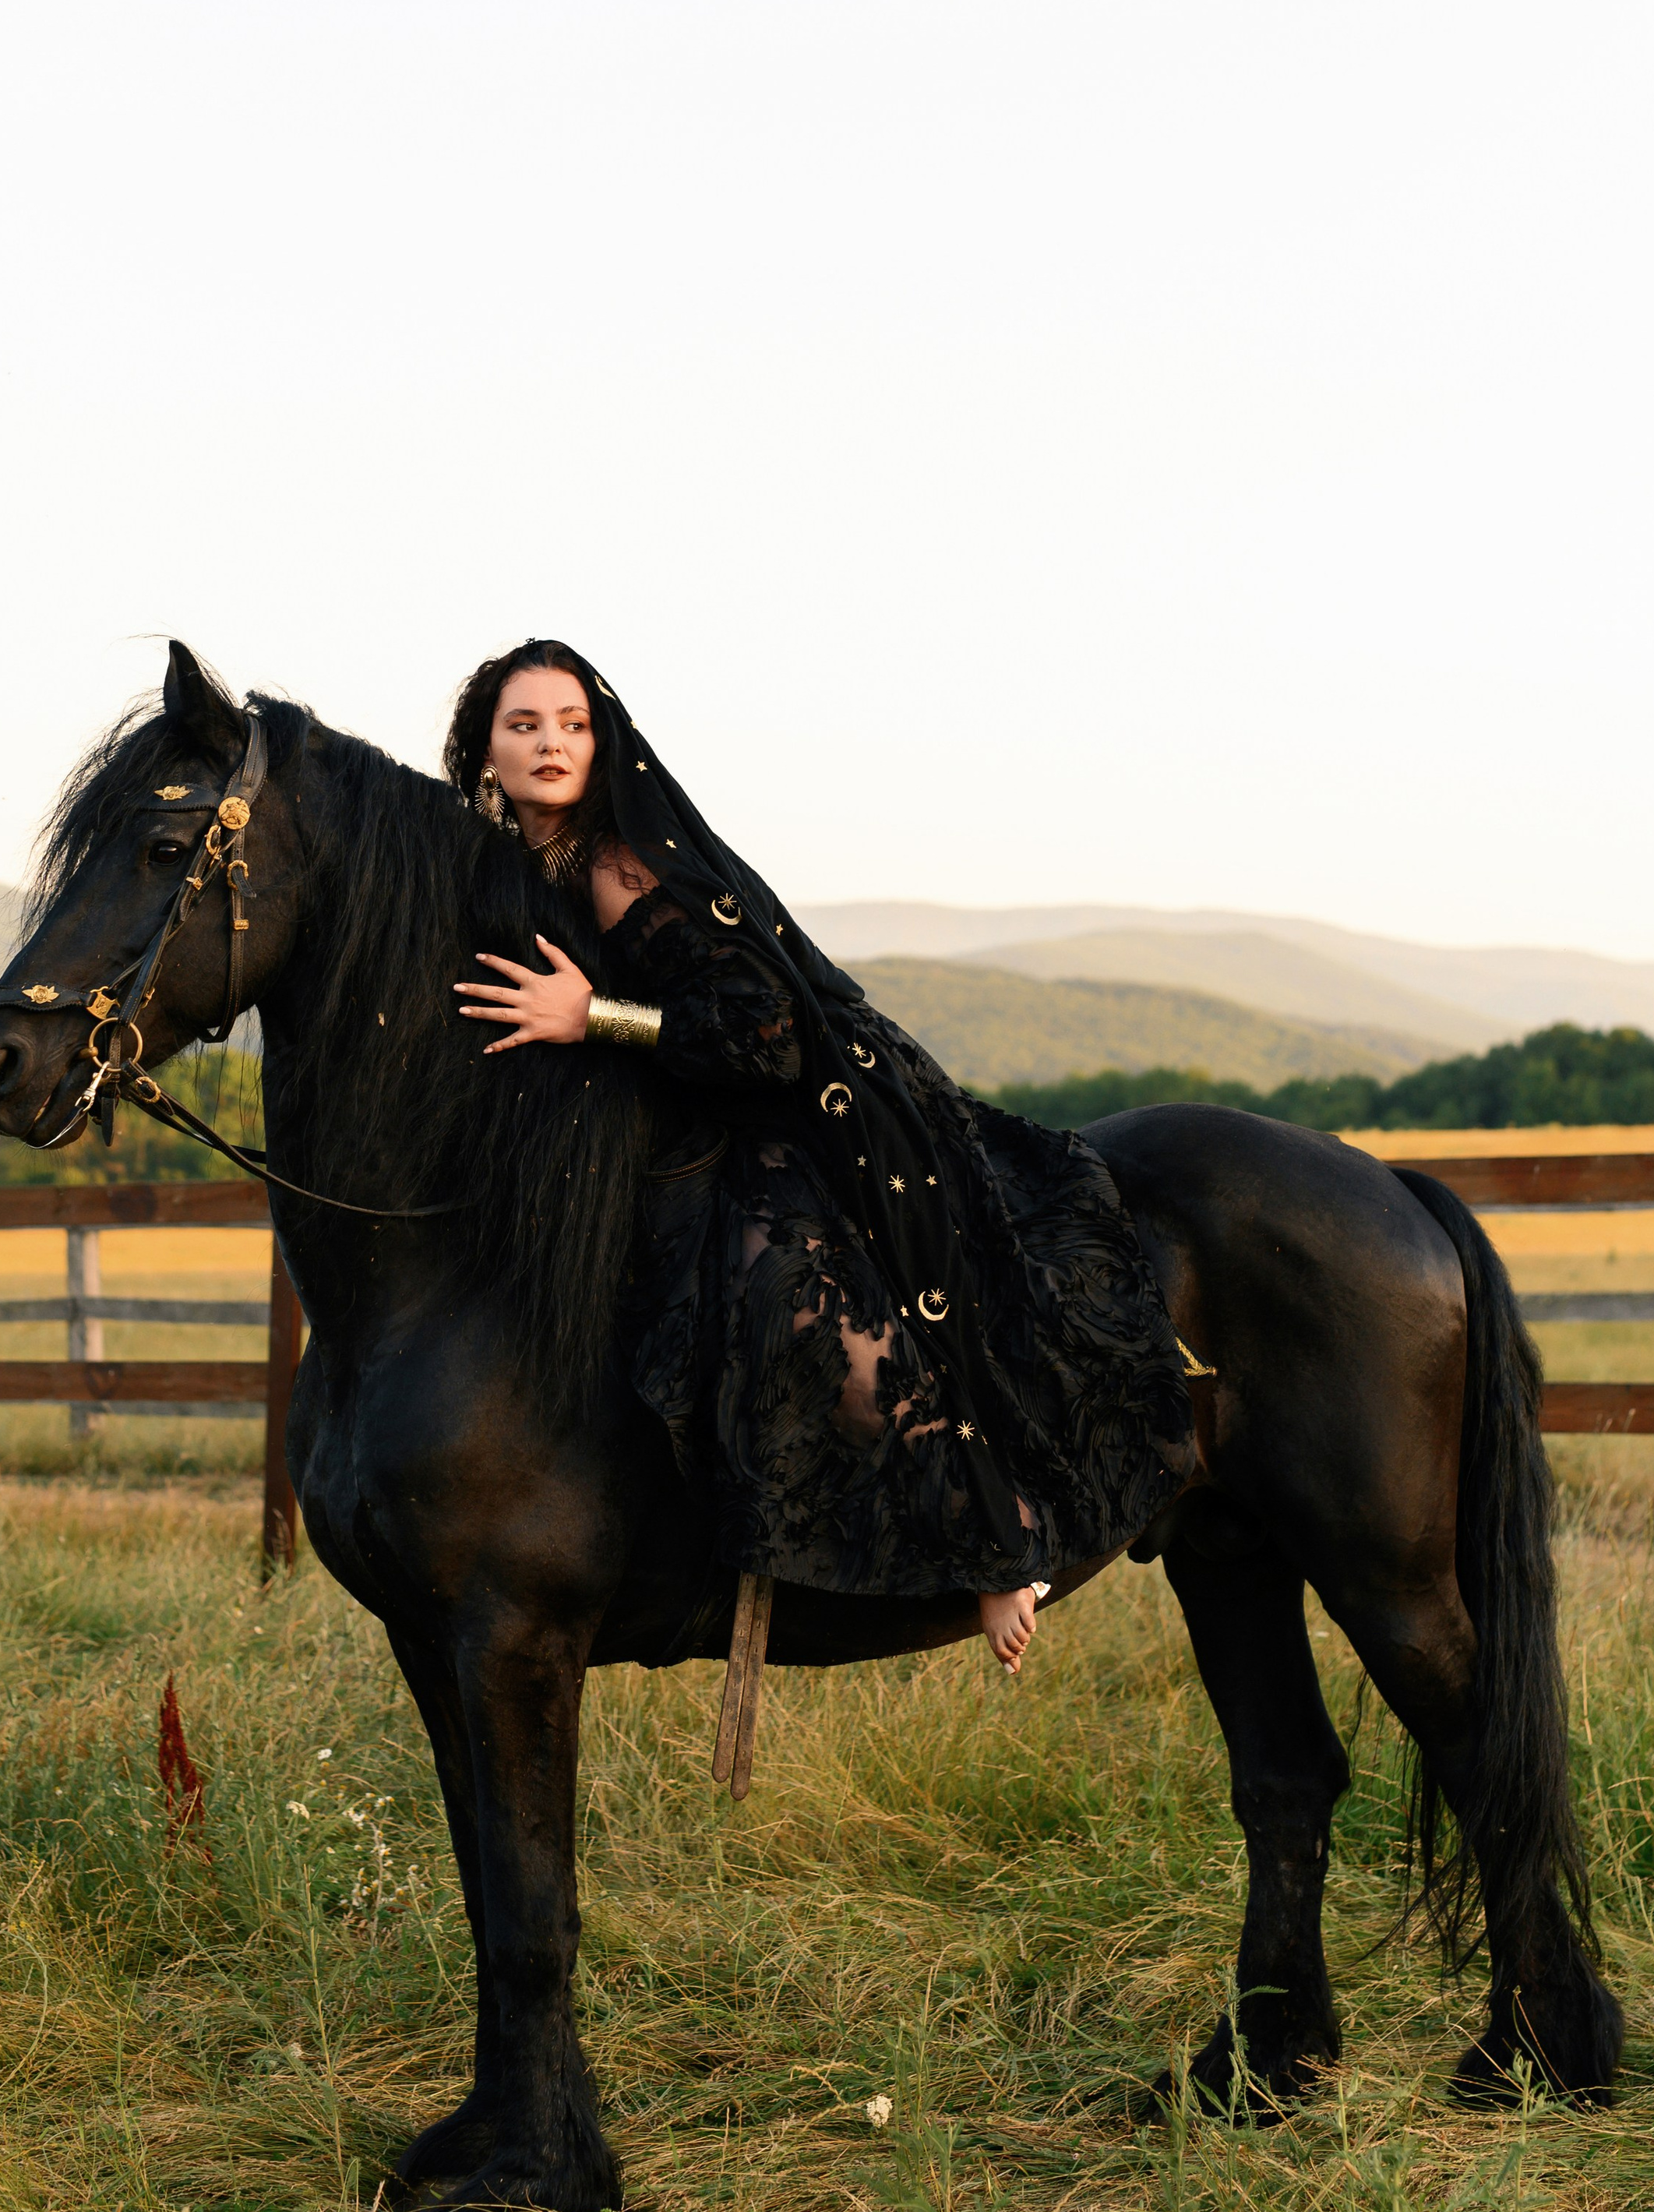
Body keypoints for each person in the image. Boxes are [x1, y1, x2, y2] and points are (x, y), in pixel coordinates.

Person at [446, 640, 1196, 1676]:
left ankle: (995, 1537)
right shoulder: (503, 863)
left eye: (571, 723)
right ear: (485, 747)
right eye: (524, 725)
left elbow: (767, 1034)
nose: (549, 745)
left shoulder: (622, 866)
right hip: (671, 1111)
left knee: (790, 1287)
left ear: (604, 737)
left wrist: (596, 1017)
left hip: (802, 1101)